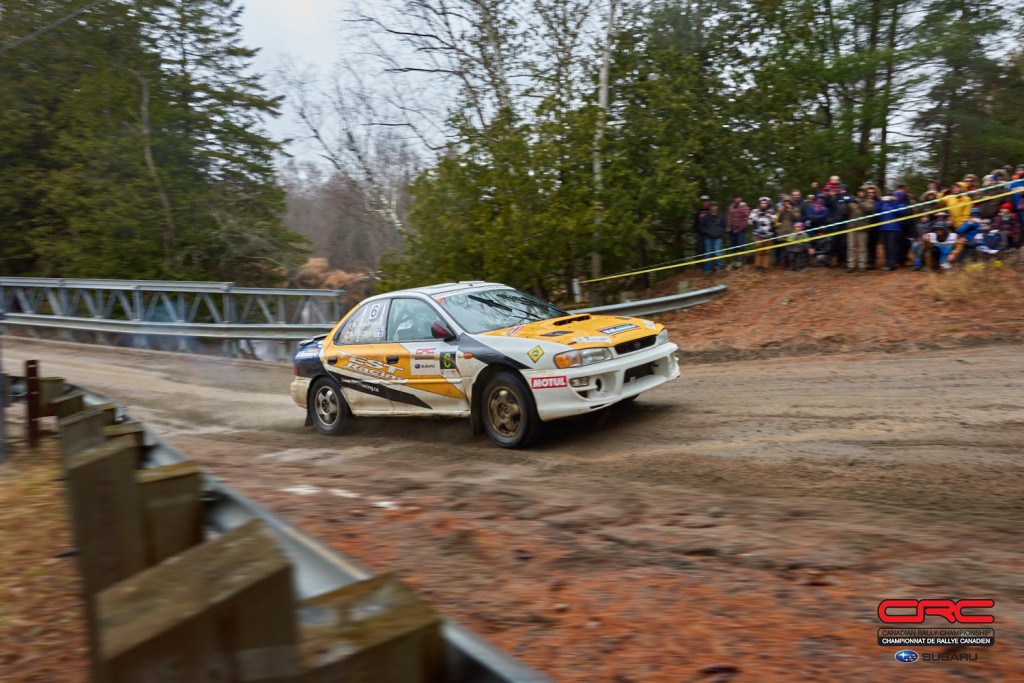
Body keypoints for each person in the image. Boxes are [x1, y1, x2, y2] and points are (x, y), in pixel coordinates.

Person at [846, 186, 874, 271]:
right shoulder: (852, 202)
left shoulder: (869, 201)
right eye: (859, 192)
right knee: (851, 247)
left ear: (865, 193)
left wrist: (859, 202)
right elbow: (845, 212)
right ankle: (850, 265)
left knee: (862, 247)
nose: (860, 193)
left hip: (863, 227)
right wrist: (845, 203)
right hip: (852, 227)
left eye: (862, 192)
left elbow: (868, 209)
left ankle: (862, 265)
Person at [696, 201, 727, 272]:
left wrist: (719, 232)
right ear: (710, 207)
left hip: (718, 238)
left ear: (717, 207)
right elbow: (702, 227)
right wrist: (707, 232)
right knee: (707, 253)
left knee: (718, 253)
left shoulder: (721, 216)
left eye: (715, 206)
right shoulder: (706, 216)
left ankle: (718, 268)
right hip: (708, 237)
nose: (713, 208)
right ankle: (707, 269)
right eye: (712, 206)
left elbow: (724, 227)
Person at [877, 192, 905, 270]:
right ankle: (888, 263)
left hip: (894, 228)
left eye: (895, 196)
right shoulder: (885, 204)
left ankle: (892, 264)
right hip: (883, 228)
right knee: (886, 247)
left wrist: (894, 201)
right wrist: (880, 201)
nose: (892, 197)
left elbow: (899, 212)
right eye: (892, 195)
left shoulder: (900, 204)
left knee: (891, 247)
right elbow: (877, 211)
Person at [748, 197, 776, 271]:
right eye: (762, 203)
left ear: (768, 204)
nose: (764, 205)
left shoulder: (771, 211)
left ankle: (765, 266)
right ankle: (757, 266)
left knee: (766, 252)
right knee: (758, 251)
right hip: (758, 235)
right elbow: (749, 222)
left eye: (765, 203)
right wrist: (756, 217)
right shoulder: (755, 211)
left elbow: (775, 222)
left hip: (768, 235)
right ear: (759, 203)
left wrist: (770, 217)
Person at [725, 195, 751, 268]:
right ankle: (734, 261)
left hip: (740, 230)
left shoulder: (744, 207)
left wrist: (740, 228)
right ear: (733, 199)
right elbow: (728, 217)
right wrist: (727, 227)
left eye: (738, 198)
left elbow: (746, 219)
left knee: (741, 245)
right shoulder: (731, 207)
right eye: (735, 198)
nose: (736, 199)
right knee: (733, 246)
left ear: (741, 198)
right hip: (731, 230)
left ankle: (741, 262)